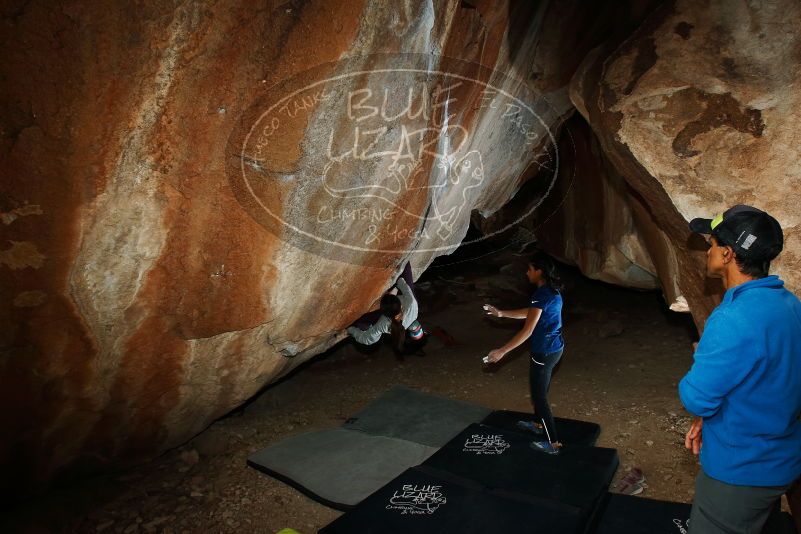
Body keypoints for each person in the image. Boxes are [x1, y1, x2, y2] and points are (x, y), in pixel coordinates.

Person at [680, 204, 801, 534]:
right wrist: (708, 416)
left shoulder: (733, 318)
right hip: (780, 457)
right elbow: (773, 378)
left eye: (713, 243)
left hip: (740, 473)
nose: (709, 249)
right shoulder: (788, 304)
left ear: (728, 253)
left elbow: (696, 396)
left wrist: (700, 358)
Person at [484, 252, 565, 455]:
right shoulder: (551, 291)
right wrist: (501, 313)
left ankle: (553, 443)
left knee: (539, 398)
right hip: (554, 348)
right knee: (540, 390)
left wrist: (502, 351)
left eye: (530, 269)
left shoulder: (541, 294)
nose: (527, 273)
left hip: (544, 352)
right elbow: (531, 313)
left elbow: (528, 330)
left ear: (539, 271)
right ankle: (538, 424)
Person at [347, 262, 424, 357]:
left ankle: (358, 324)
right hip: (408, 308)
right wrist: (395, 283)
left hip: (398, 313)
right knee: (406, 267)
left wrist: (351, 330)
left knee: (361, 322)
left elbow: (367, 339)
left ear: (384, 313)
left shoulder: (383, 324)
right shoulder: (411, 304)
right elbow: (401, 281)